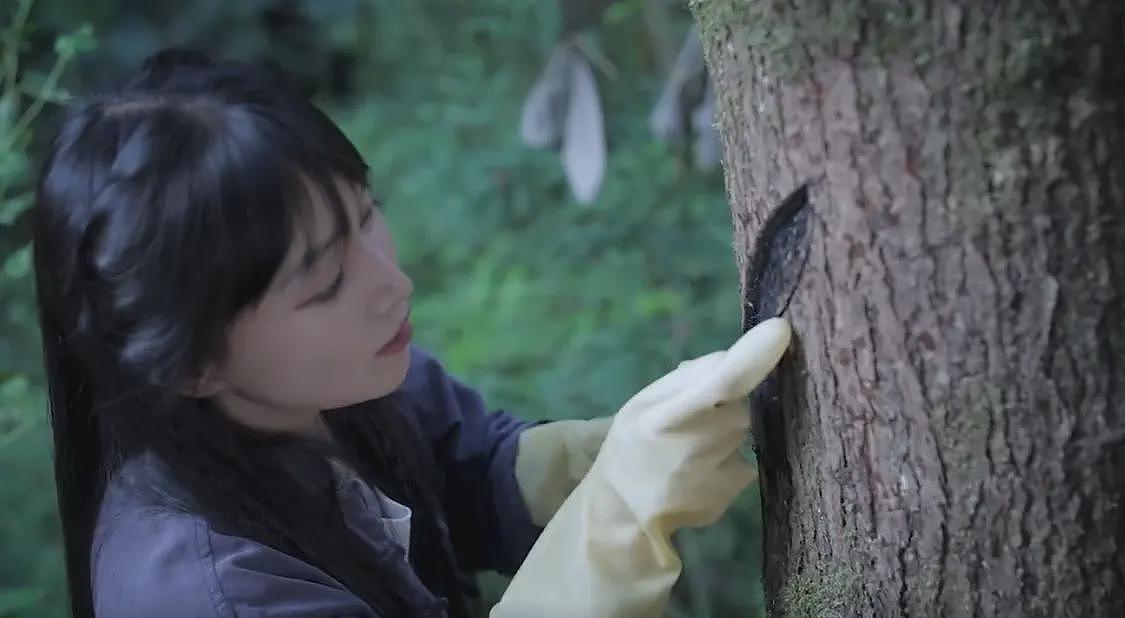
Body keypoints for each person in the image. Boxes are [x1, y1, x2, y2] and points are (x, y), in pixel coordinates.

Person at [32, 48, 791, 618]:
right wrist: (616, 516)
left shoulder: (342, 381)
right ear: (192, 363)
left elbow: (469, 474)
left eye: (367, 215)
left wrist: (598, 454)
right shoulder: (203, 593)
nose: (392, 284)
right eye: (325, 281)